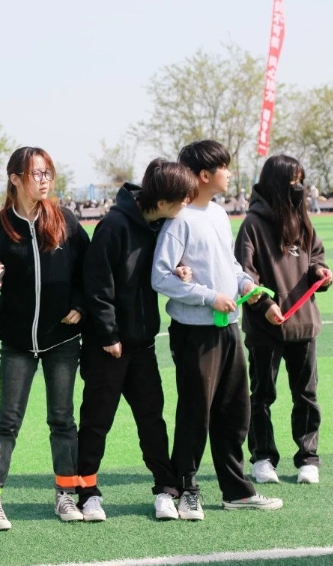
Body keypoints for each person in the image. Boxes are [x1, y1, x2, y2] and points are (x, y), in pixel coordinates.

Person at [151, 140, 283, 521]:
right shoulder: (179, 220)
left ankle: (236, 490)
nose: (229, 173)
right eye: (223, 167)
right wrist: (209, 297)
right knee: (196, 413)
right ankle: (186, 490)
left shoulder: (220, 214)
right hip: (195, 334)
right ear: (204, 175)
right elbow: (161, 277)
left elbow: (231, 265)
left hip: (229, 328)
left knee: (234, 410)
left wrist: (246, 285)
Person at [0, 147, 90, 529]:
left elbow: (89, 269)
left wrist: (80, 303)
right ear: (15, 179)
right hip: (17, 343)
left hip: (62, 339)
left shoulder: (65, 220)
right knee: (7, 420)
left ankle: (66, 495)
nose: (44, 180)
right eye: (36, 173)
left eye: (47, 173)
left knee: (62, 419)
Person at [76, 159, 197, 522]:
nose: (186, 205)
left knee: (151, 419)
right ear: (161, 201)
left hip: (142, 345)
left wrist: (177, 270)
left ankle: (165, 489)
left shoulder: (160, 225)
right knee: (97, 421)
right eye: (182, 199)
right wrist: (109, 334)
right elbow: (97, 285)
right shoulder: (113, 226)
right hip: (107, 348)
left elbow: (157, 271)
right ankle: (87, 492)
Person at [234, 154, 333, 486]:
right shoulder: (252, 225)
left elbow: (315, 257)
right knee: (262, 395)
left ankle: (308, 458)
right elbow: (244, 275)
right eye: (293, 181)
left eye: (300, 180)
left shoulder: (302, 220)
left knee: (306, 394)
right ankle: (263, 457)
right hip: (266, 327)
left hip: (303, 324)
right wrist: (264, 305)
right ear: (277, 183)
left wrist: (320, 272)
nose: (298, 187)